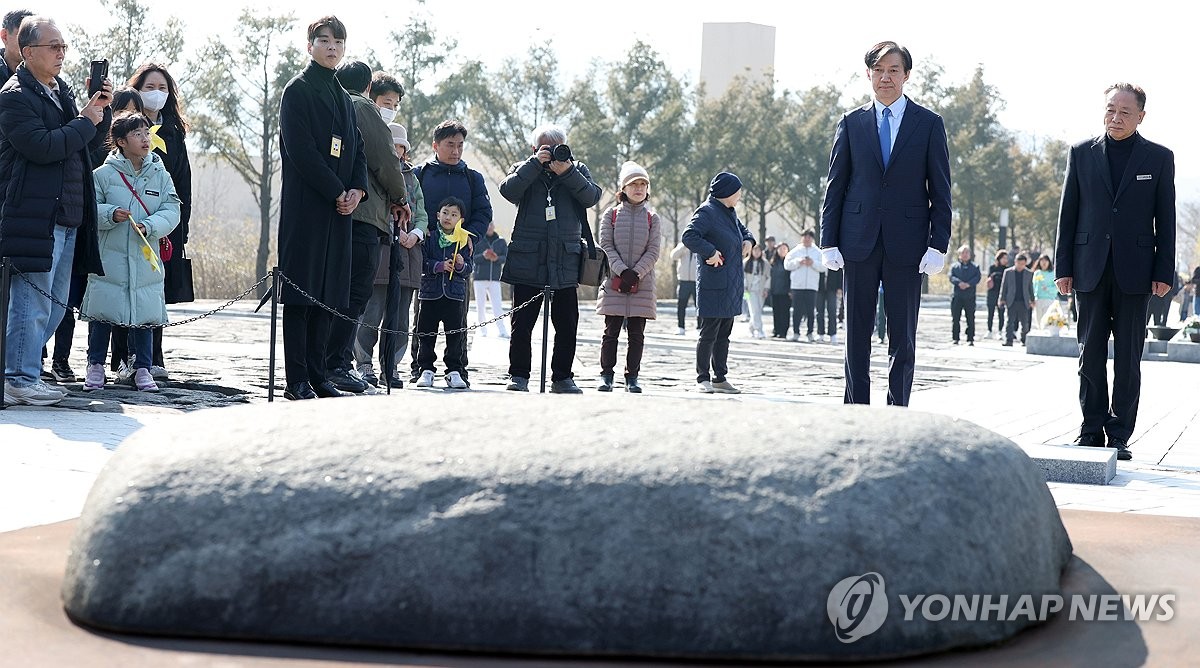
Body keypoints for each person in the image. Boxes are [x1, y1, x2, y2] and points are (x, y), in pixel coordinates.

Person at [818, 40, 952, 406]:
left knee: (903, 336)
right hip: (857, 241)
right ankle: (855, 410)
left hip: (907, 245)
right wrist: (828, 240)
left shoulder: (928, 124)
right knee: (856, 334)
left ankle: (898, 411)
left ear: (906, 75)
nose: (885, 77)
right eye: (878, 70)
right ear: (868, 75)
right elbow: (836, 185)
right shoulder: (851, 122)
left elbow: (941, 189)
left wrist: (938, 243)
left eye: (894, 70)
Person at [1054, 82, 1175, 460]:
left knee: (1128, 356)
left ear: (1141, 115)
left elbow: (1165, 220)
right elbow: (1068, 214)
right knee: (1089, 353)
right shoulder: (1081, 153)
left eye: (1125, 112)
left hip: (1136, 272)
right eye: (1110, 110)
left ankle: (1119, 433)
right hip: (1088, 267)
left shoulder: (1158, 158)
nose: (1115, 117)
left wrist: (1164, 271)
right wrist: (1063, 267)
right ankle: (1090, 429)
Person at [1, 16, 112, 406]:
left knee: (56, 305)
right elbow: (42, 147)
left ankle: (23, 371)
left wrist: (98, 111)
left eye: (63, 46)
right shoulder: (14, 96)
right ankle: (19, 377)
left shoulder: (59, 90)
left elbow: (87, 146)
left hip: (68, 214)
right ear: (27, 52)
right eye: (53, 46)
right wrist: (83, 120)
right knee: (31, 303)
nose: (61, 53)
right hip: (35, 216)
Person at [276, 15, 368, 401]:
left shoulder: (344, 98)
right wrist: (336, 189)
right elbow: (302, 152)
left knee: (329, 296)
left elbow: (358, 151)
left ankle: (319, 375)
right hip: (307, 210)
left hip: (340, 212)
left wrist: (357, 191)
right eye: (324, 40)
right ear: (309, 45)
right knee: (302, 296)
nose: (332, 47)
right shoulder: (297, 91)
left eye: (339, 42)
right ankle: (297, 379)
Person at [82, 111, 181, 392]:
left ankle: (142, 368)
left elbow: (172, 209)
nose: (145, 138)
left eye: (146, 133)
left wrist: (150, 226)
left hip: (144, 255)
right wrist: (111, 214)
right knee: (102, 313)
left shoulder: (160, 173)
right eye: (138, 134)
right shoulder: (102, 175)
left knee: (145, 314)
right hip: (109, 257)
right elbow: (91, 209)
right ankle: (95, 365)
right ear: (121, 141)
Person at [498, 124, 602, 394]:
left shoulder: (577, 169)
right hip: (528, 258)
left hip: (565, 258)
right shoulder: (524, 168)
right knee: (522, 323)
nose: (553, 154)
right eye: (546, 148)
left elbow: (591, 197)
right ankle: (518, 375)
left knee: (567, 323)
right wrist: (534, 165)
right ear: (535, 149)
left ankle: (562, 377)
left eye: (558, 148)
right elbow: (508, 191)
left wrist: (566, 172)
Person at [326, 60, 409, 394]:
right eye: (386, 103)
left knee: (335, 290)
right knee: (356, 291)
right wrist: (400, 195)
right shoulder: (361, 107)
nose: (389, 110)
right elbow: (385, 158)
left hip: (333, 209)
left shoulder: (329, 101)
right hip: (365, 212)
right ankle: (339, 365)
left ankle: (328, 362)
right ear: (368, 89)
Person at [110, 63, 192, 382]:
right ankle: (120, 357)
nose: (156, 93)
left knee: (153, 294)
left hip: (160, 228)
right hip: (125, 225)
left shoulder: (174, 133)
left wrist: (179, 226)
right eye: (149, 87)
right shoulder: (121, 131)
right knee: (122, 292)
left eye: (162, 87)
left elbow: (183, 184)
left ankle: (152, 356)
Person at [409, 119, 492, 385]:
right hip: (426, 256)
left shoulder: (473, 178)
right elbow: (410, 206)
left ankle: (457, 369)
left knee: (458, 317)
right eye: (449, 145)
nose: (455, 151)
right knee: (422, 316)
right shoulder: (420, 174)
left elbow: (483, 213)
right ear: (435, 145)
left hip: (460, 257)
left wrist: (471, 237)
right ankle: (420, 368)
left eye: (460, 145)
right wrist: (421, 232)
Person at [354, 121, 426, 388]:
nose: (395, 151)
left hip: (408, 255)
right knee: (371, 312)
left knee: (400, 316)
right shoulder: (373, 173)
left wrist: (415, 234)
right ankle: (364, 364)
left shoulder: (413, 179)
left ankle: (391, 366)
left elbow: (422, 214)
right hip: (381, 250)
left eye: (398, 146)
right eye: (390, 145)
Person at [682, 171, 755, 394]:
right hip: (713, 284)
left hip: (731, 284)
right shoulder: (707, 211)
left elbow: (744, 231)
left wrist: (749, 241)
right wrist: (710, 251)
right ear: (727, 192)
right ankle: (702, 377)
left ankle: (720, 378)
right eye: (738, 191)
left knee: (724, 334)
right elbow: (690, 236)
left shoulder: (729, 212)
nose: (740, 195)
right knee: (709, 333)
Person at [596, 161, 660, 393]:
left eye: (643, 184)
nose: (639, 188)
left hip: (642, 284)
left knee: (636, 334)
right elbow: (606, 245)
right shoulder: (610, 215)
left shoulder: (653, 218)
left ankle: (632, 377)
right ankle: (606, 375)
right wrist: (623, 271)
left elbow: (654, 251)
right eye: (634, 184)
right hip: (615, 281)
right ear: (623, 188)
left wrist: (637, 273)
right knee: (610, 332)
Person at [414, 197, 473, 390]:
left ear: (460, 220)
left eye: (454, 214)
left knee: (455, 334)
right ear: (438, 215)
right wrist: (437, 266)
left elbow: (469, 268)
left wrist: (461, 265)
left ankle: (454, 370)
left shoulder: (463, 240)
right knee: (426, 332)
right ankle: (426, 369)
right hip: (430, 293)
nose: (448, 217)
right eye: (445, 213)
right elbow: (421, 262)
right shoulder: (429, 237)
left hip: (454, 295)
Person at [783, 230, 824, 342]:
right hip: (797, 286)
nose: (807, 239)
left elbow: (824, 267)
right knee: (797, 311)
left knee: (811, 311)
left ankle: (810, 332)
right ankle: (796, 332)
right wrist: (798, 262)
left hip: (811, 286)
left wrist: (813, 263)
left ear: (812, 238)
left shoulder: (817, 252)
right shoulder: (795, 251)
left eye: (809, 237)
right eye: (805, 236)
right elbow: (787, 264)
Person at [473, 221, 508, 337]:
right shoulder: (479, 240)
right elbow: (472, 258)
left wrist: (497, 258)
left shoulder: (501, 241)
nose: (489, 227)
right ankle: (482, 330)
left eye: (491, 224)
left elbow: (505, 258)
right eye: (487, 225)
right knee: (480, 306)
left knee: (498, 305)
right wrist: (483, 256)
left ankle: (502, 330)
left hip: (495, 279)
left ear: (493, 226)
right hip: (479, 279)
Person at [999, 252, 1034, 346]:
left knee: (1024, 323)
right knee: (1009, 322)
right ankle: (1008, 340)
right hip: (1011, 300)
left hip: (1024, 301)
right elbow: (1004, 286)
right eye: (1019, 263)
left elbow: (1031, 288)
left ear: (1025, 263)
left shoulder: (1029, 273)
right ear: (1015, 262)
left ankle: (1024, 340)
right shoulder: (1008, 272)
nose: (1020, 266)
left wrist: (1032, 300)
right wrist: (1001, 299)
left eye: (1023, 264)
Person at [948, 245, 980, 345]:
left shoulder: (975, 267)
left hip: (970, 296)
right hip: (957, 296)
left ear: (970, 255)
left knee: (970, 318)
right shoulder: (954, 266)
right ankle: (955, 338)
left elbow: (977, 277)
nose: (965, 255)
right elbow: (951, 276)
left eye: (967, 253)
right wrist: (959, 283)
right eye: (963, 253)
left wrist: (968, 284)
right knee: (956, 318)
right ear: (959, 255)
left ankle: (970, 338)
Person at [670, 240, 698, 335]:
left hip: (697, 281)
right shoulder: (682, 246)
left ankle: (699, 327)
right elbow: (673, 256)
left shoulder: (700, 245)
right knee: (681, 305)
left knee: (699, 306)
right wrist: (684, 246)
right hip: (684, 281)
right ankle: (681, 327)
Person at [0, 9, 32, 82]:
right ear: (4, 36)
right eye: (23, 36)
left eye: (35, 38)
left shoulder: (47, 78)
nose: (31, 43)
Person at [744, 244, 768, 339]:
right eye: (754, 250)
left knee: (757, 310)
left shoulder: (765, 263)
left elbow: (768, 277)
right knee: (754, 310)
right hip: (749, 291)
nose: (756, 252)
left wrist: (766, 289)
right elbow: (743, 277)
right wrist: (745, 288)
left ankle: (751, 329)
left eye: (758, 250)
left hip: (761, 290)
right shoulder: (745, 263)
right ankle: (759, 330)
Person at [768, 241, 791, 338]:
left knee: (784, 312)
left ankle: (783, 331)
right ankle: (776, 330)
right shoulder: (773, 262)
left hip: (785, 292)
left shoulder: (789, 262)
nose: (782, 251)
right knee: (776, 311)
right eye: (780, 249)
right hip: (775, 291)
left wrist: (790, 290)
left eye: (785, 249)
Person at [816, 265, 842, 344]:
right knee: (819, 311)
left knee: (832, 311)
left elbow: (839, 271)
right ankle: (820, 333)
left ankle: (833, 334)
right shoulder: (817, 253)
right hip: (819, 287)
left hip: (832, 287)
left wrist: (839, 287)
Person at [985, 249, 1008, 339]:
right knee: (990, 313)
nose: (1005, 260)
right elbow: (989, 278)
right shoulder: (992, 268)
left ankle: (1000, 331)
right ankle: (989, 330)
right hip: (991, 293)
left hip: (1001, 294)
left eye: (1006, 258)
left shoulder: (1007, 269)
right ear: (999, 258)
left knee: (1001, 314)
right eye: (1003, 258)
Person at [1031, 254, 1057, 330]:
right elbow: (1033, 286)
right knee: (1038, 320)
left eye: (1046, 261)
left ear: (1049, 262)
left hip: (1049, 299)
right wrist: (1032, 299)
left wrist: (1048, 288)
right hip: (1038, 299)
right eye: (1042, 261)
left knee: (1047, 319)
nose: (1044, 263)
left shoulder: (1052, 273)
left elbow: (1056, 288)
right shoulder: (1037, 273)